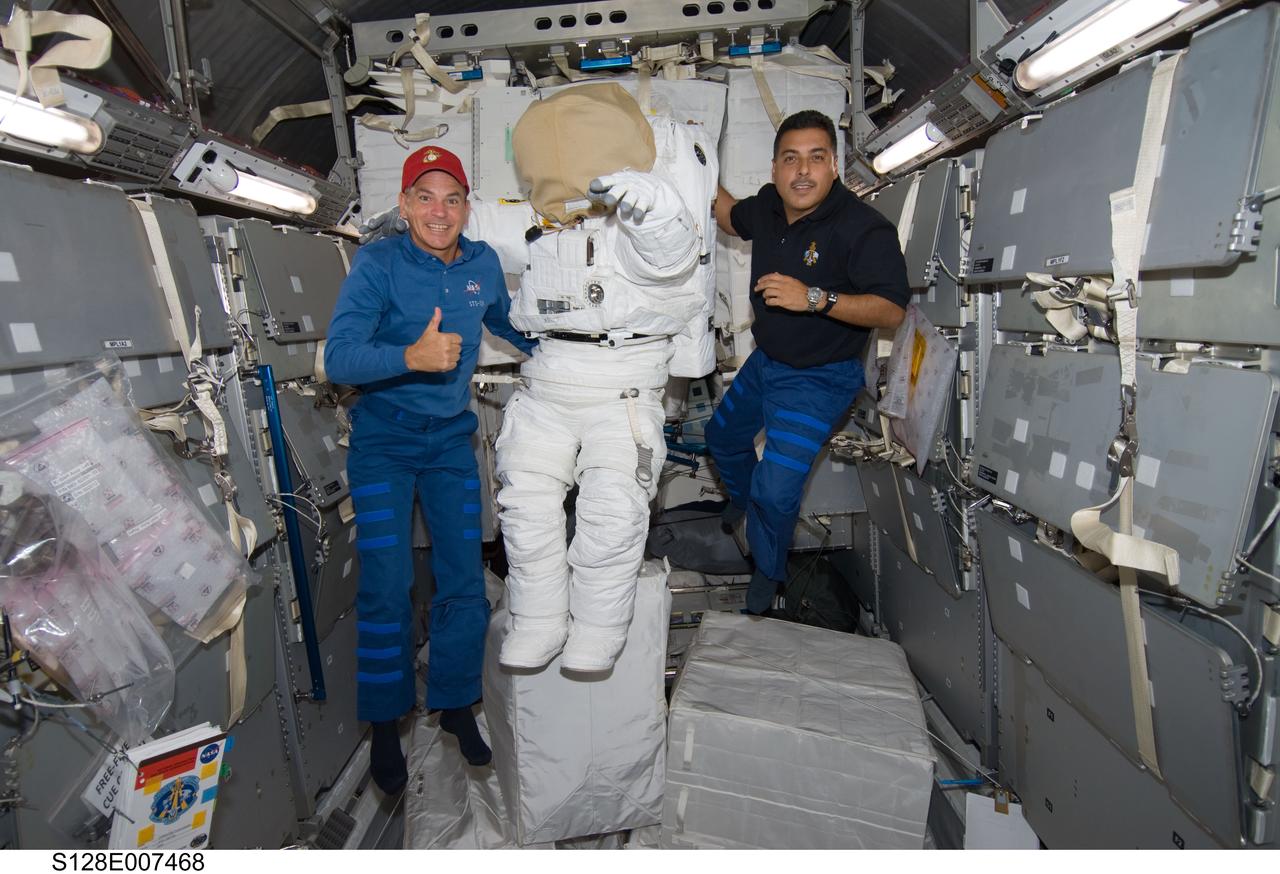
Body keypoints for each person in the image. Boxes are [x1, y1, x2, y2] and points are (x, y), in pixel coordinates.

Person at [324, 145, 536, 795]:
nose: (439, 211)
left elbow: (507, 323)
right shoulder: (378, 264)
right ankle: (386, 720)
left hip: (449, 444)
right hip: (384, 445)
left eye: (452, 199)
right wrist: (410, 357)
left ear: (466, 207)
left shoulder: (482, 264)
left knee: (463, 581)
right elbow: (339, 359)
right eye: (426, 197)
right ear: (406, 204)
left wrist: (569, 348)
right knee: (387, 586)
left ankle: (453, 705)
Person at [492, 84, 716, 673]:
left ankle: (598, 630)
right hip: (547, 385)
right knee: (525, 508)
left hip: (619, 390)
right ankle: (537, 621)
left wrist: (658, 209)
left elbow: (668, 259)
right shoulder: (541, 227)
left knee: (612, 515)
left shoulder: (638, 220)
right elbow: (480, 225)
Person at [707, 109, 909, 615]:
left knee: (776, 495)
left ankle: (769, 572)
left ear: (834, 165)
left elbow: (890, 309)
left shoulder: (863, 229)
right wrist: (690, 164)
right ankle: (741, 498)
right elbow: (731, 215)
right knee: (721, 440)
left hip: (821, 378)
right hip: (767, 361)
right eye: (790, 159)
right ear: (774, 168)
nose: (802, 171)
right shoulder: (771, 207)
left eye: (816, 158)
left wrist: (815, 298)